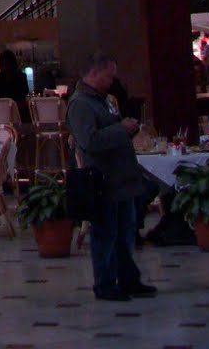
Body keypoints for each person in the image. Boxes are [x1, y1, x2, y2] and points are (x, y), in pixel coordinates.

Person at [67, 51, 157, 302]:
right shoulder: (81, 104)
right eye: (108, 76)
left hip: (122, 179)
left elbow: (110, 130)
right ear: (94, 74)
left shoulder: (102, 100)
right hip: (103, 180)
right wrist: (120, 129)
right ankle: (105, 282)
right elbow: (89, 141)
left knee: (125, 232)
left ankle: (129, 278)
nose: (112, 82)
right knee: (105, 234)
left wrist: (126, 130)